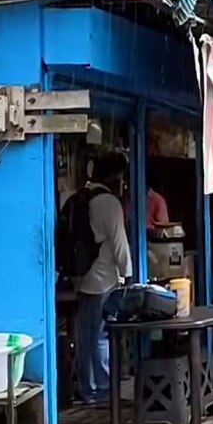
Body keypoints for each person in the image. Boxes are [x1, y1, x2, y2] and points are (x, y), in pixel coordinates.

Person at [75, 152, 133, 406]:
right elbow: (120, 244)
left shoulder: (79, 197)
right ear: (114, 175)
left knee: (85, 337)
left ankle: (87, 389)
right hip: (103, 280)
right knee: (100, 336)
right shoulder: (109, 203)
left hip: (81, 279)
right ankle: (104, 389)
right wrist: (128, 274)